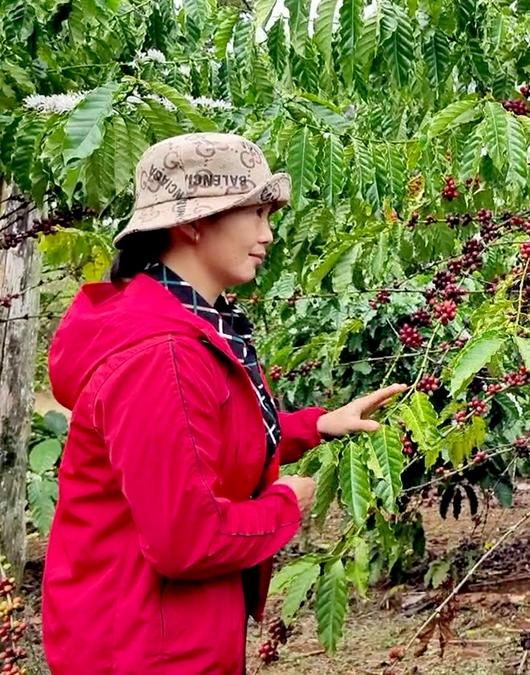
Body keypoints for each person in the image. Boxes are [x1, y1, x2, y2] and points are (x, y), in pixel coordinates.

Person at [42, 132, 405, 673]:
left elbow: (199, 437)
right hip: (145, 648)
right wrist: (288, 502)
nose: (268, 233)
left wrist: (315, 425)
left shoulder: (185, 321)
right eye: (255, 214)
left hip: (164, 629)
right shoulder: (160, 354)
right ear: (192, 223)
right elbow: (187, 539)